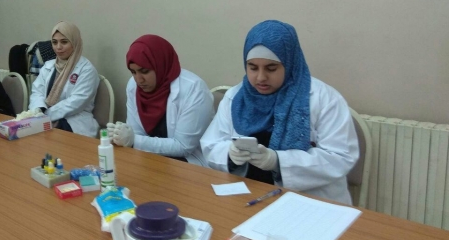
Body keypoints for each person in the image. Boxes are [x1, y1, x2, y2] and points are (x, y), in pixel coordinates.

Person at [200, 20, 358, 204]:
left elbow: (340, 157)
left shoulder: (324, 99)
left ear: (290, 63)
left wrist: (278, 161)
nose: (261, 77)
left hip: (310, 202)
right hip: (247, 195)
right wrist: (229, 155)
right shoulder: (235, 98)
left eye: (271, 68)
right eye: (252, 67)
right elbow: (211, 145)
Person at [107, 35, 214, 166]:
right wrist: (120, 135)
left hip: (186, 163)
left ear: (160, 65)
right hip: (148, 157)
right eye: (133, 72)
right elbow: (136, 132)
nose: (139, 80)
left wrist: (134, 140)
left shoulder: (194, 89)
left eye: (144, 71)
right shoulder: (133, 86)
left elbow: (183, 146)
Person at [28, 21, 100, 137]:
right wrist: (38, 110)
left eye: (64, 42)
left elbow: (76, 102)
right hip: (45, 119)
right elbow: (37, 91)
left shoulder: (86, 69)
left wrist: (46, 116)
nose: (58, 47)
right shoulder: (48, 66)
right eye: (54, 42)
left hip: (74, 122)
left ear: (74, 43)